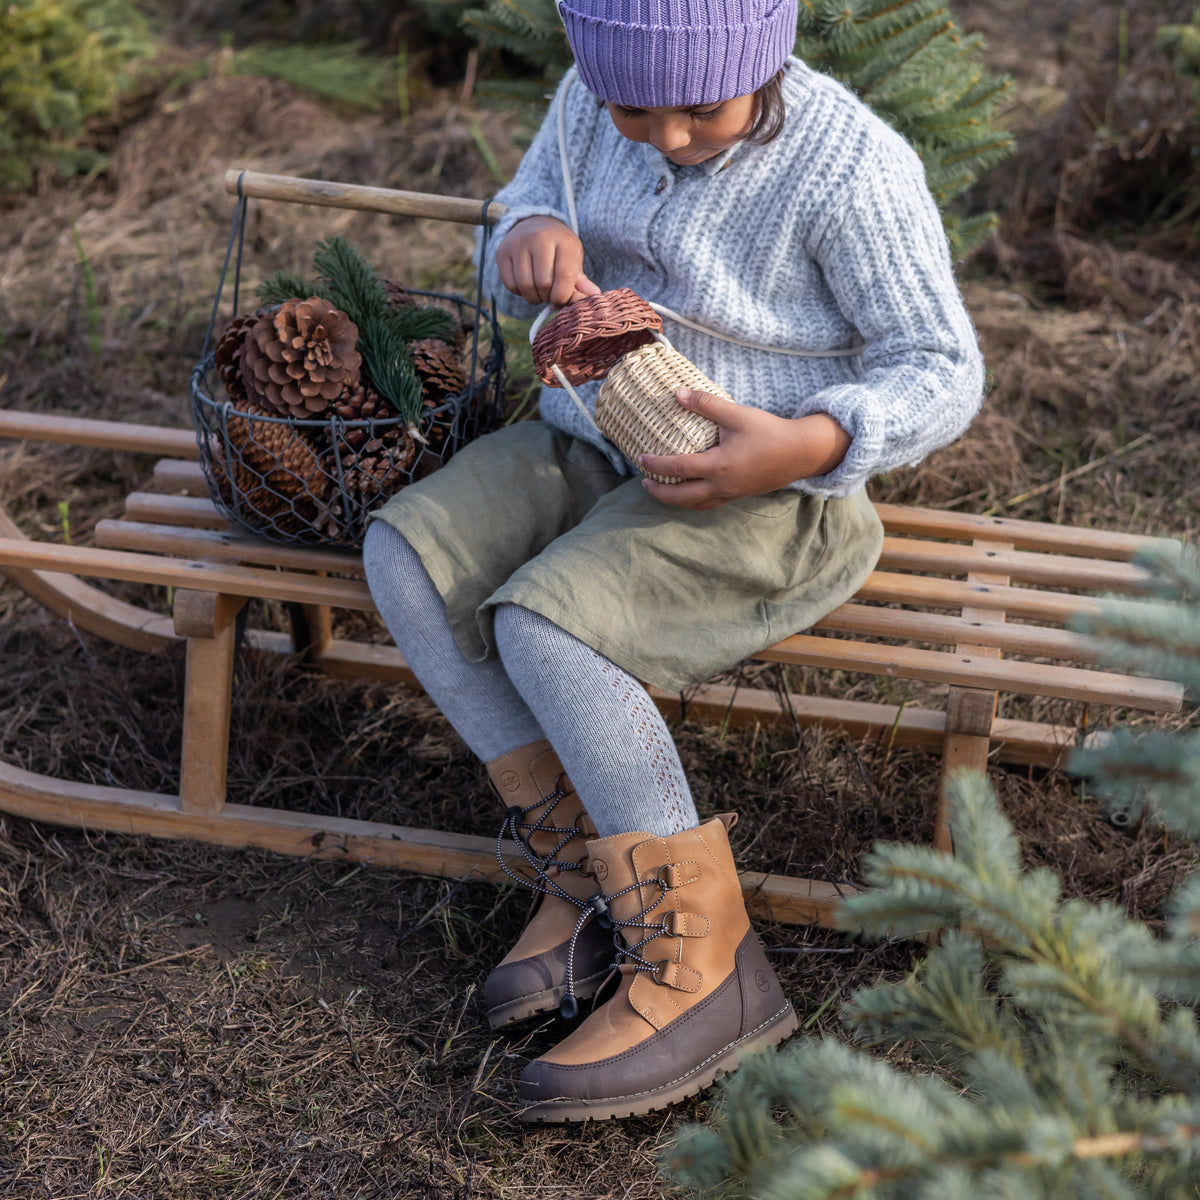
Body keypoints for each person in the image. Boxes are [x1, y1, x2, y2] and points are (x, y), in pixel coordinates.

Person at [363, 0, 984, 1123]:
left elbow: (940, 365)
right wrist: (524, 237)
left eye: (702, 107)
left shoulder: (850, 168)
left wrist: (810, 442)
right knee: (408, 554)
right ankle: (589, 875)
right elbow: (526, 207)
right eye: (632, 110)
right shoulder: (584, 104)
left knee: (548, 627)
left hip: (768, 489)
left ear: (765, 59)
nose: (668, 137)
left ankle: (706, 969)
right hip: (596, 433)